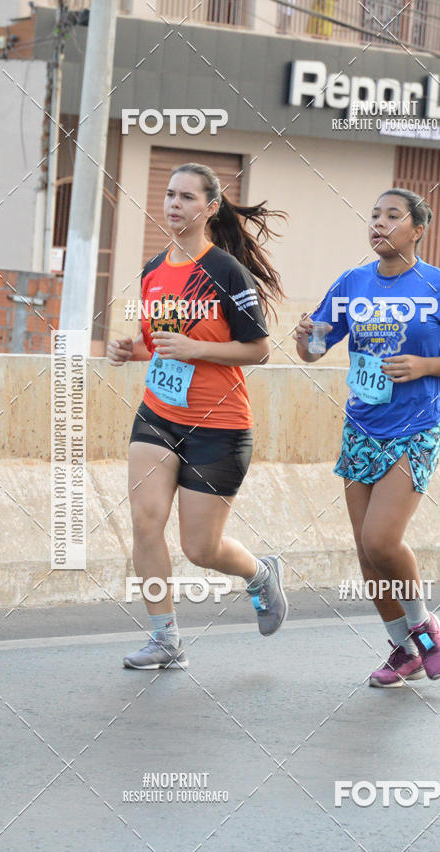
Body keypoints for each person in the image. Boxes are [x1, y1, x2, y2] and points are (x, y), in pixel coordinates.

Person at [294, 187, 440, 688]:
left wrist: (427, 366)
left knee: (383, 538)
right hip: (361, 426)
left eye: (392, 217)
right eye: (374, 216)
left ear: (417, 230)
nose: (379, 224)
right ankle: (402, 649)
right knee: (366, 549)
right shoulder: (353, 282)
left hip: (415, 427)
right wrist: (305, 337)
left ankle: (424, 629)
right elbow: (316, 349)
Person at [107, 162, 288, 670]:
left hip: (220, 426)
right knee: (146, 524)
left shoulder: (227, 272)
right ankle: (165, 638)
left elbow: (259, 350)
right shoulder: (153, 271)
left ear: (210, 209)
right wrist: (134, 350)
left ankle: (260, 575)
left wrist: (193, 348)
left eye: (187, 197)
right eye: (169, 194)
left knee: (200, 548)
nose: (174, 204)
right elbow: (162, 344)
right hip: (159, 416)